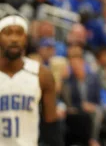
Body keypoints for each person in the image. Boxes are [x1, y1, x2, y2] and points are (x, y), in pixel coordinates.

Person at [0, 14, 62, 146]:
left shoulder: (42, 75)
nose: (14, 39)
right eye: (8, 33)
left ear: (26, 39)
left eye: (19, 33)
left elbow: (51, 128)